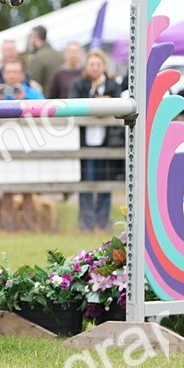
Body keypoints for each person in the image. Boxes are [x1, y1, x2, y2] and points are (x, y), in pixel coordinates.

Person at [69, 50, 123, 232]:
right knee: (87, 181)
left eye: (98, 64)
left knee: (105, 182)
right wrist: (95, 101)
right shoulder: (79, 84)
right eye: (91, 64)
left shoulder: (112, 85)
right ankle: (86, 222)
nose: (95, 67)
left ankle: (103, 221)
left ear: (104, 67)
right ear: (86, 67)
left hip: (108, 142)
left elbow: (119, 106)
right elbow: (72, 103)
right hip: (84, 142)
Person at [24, 26, 63, 95]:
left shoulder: (37, 58)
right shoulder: (59, 54)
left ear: (35, 37)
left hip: (45, 100)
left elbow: (34, 84)